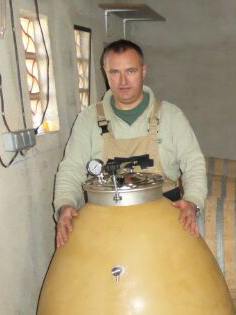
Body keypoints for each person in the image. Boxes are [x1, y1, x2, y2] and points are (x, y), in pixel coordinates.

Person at [54, 39, 206, 247]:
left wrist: (192, 202)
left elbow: (193, 162)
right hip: (104, 220)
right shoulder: (88, 119)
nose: (123, 81)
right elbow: (71, 168)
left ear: (144, 71)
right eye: (114, 72)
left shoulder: (170, 115)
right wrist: (65, 205)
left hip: (163, 216)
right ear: (105, 73)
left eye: (131, 71)